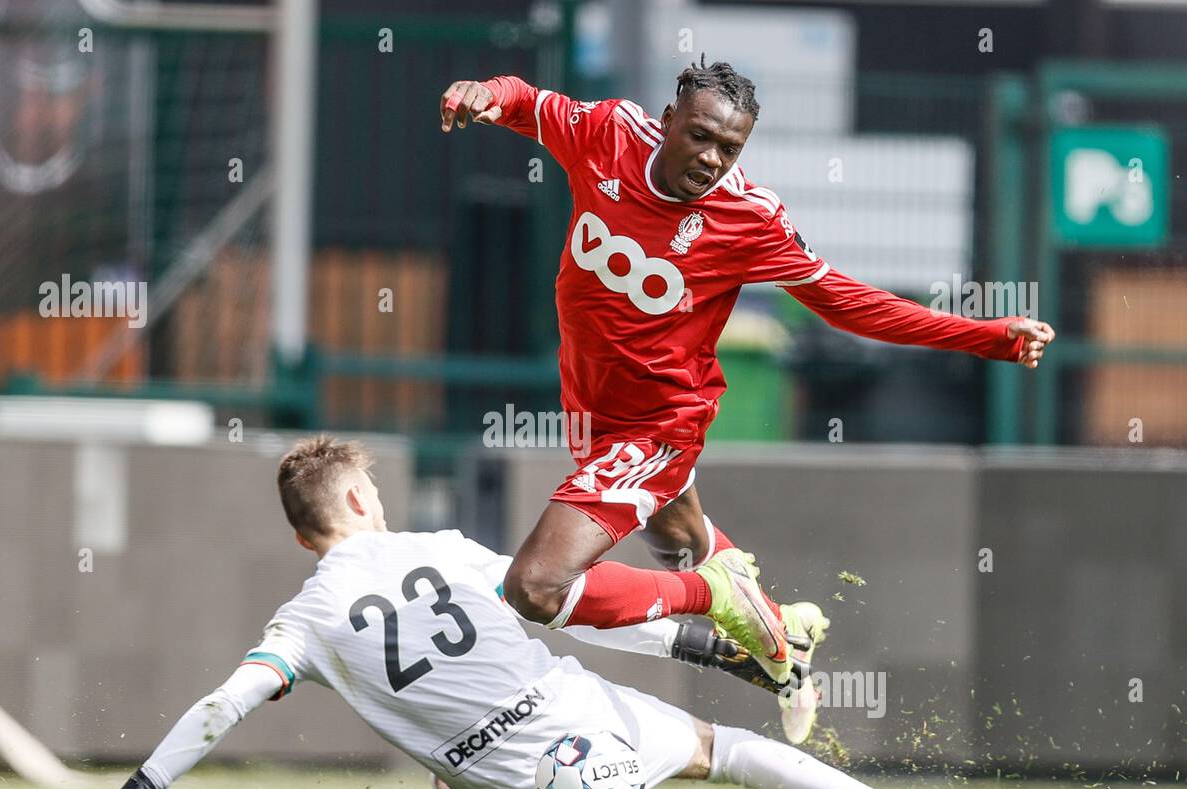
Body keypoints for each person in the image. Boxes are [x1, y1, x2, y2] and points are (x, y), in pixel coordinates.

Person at [437, 56, 1055, 687]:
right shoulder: (611, 133)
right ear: (669, 119)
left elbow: (851, 304)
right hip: (590, 409)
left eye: (729, 148)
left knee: (537, 586)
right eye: (699, 136)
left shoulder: (749, 219)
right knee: (679, 544)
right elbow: (525, 101)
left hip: (656, 427)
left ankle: (713, 603)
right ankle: (782, 636)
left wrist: (981, 336)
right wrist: (483, 91)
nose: (710, 158)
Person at [32, 437, 984, 789]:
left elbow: (222, 705)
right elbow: (582, 612)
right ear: (364, 499)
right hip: (588, 724)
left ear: (300, 536)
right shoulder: (444, 545)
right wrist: (713, 649)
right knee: (720, 752)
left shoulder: (305, 622)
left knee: (451, 778)